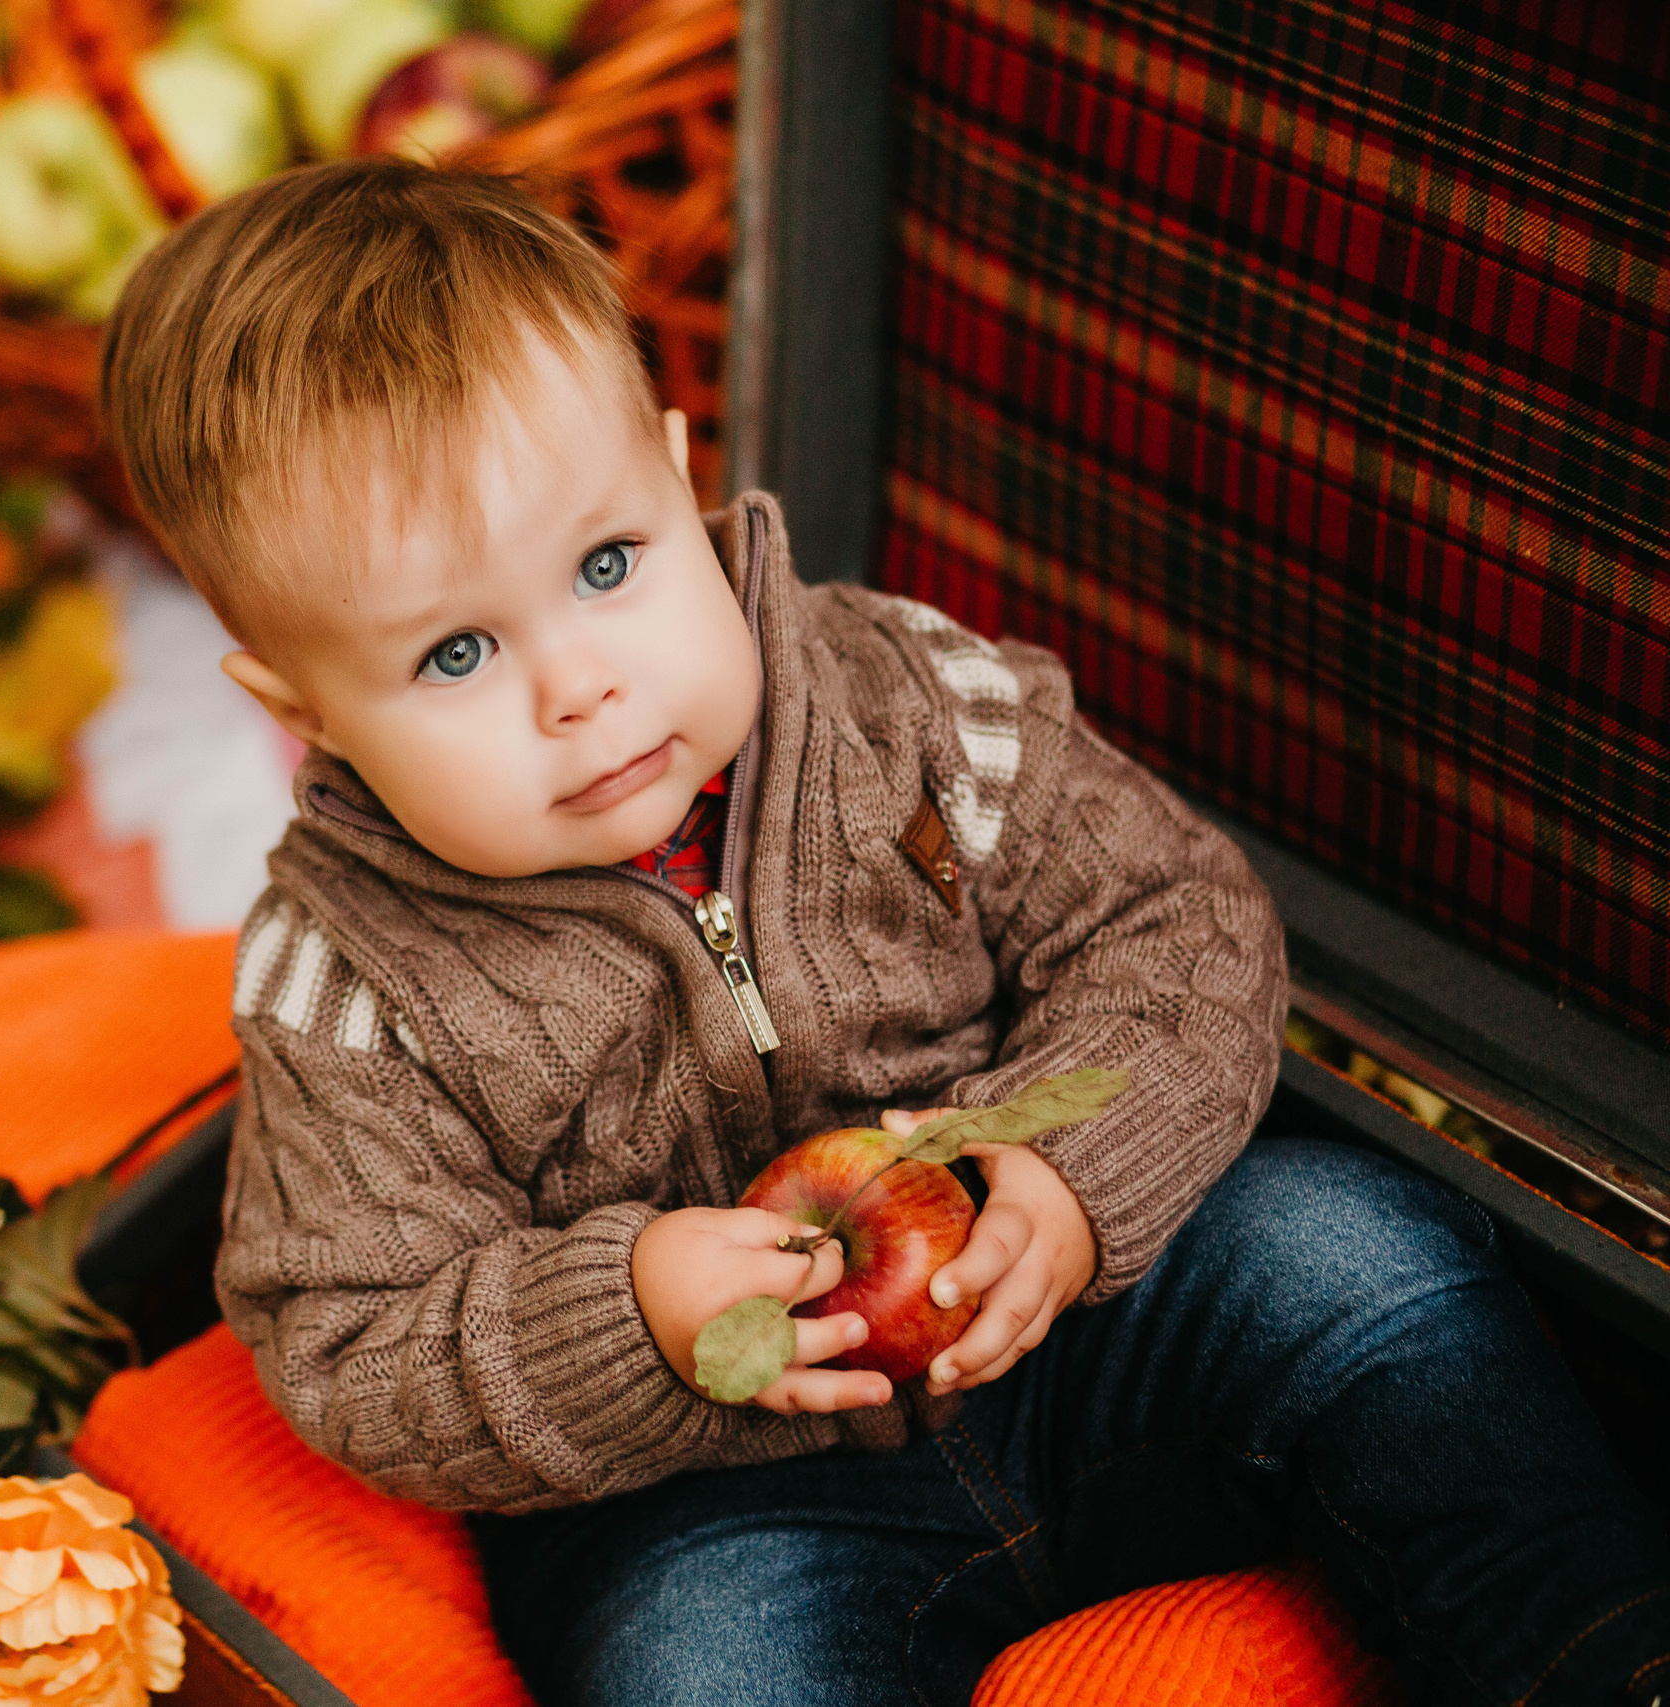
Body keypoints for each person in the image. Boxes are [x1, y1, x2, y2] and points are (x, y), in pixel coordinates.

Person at [96, 157, 1670, 1706]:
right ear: (306, 709)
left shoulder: (906, 696)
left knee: (1353, 1254)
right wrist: (629, 1316)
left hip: (1083, 1321)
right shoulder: (343, 984)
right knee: (698, 1677)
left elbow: (1173, 924)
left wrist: (1069, 1173)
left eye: (606, 564)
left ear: (678, 469)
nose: (580, 685)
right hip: (716, 1504)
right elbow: (351, 1338)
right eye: (454, 654)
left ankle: (1599, 1655)